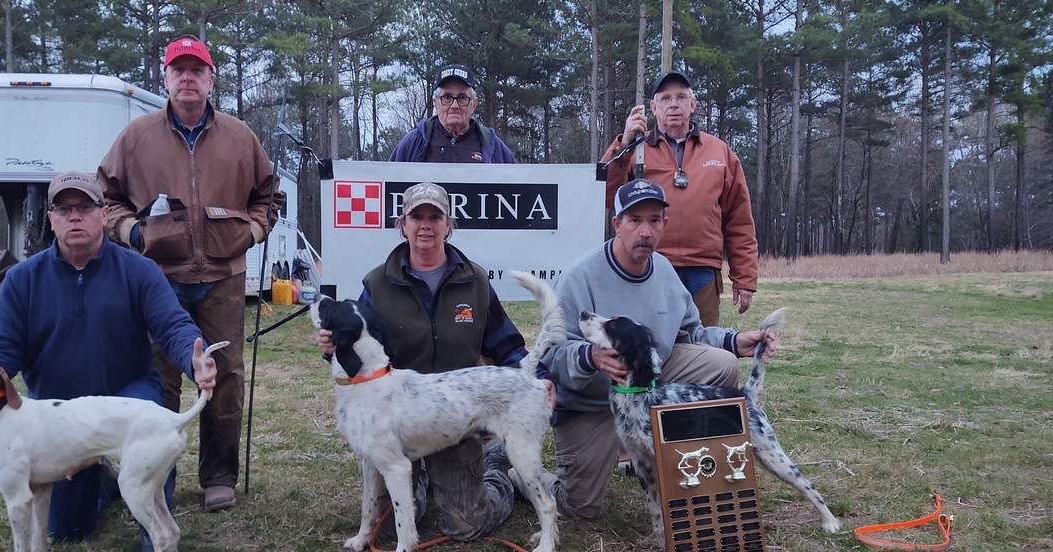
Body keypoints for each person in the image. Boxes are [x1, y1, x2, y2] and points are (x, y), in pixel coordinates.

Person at [0, 171, 217, 549]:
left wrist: (197, 359)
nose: (75, 216)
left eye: (85, 207)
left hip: (127, 393)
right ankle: (103, 482)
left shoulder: (139, 270)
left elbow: (173, 325)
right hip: (57, 412)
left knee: (150, 420)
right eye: (64, 208)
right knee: (68, 528)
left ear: (103, 215)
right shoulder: (21, 280)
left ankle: (151, 532)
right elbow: (1, 350)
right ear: (51, 218)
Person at [98, 35, 282, 512]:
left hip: (223, 277)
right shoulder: (136, 137)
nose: (186, 77)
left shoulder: (241, 137)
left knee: (224, 378)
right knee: (159, 380)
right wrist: (133, 233)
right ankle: (157, 478)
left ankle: (218, 477)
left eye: (195, 69)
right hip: (158, 279)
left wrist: (255, 231)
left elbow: (268, 194)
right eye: (177, 69)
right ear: (164, 77)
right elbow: (105, 198)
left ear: (210, 78)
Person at [316, 182, 553, 541]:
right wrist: (330, 345)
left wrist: (539, 381)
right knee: (385, 527)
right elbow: (357, 345)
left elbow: (505, 342)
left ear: (448, 225)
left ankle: (498, 471)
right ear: (403, 225)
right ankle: (421, 479)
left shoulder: (474, 280)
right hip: (395, 414)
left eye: (434, 216)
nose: (425, 225)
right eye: (417, 217)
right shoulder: (377, 283)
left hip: (456, 418)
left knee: (465, 525)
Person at [533, 178, 776, 520]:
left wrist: (734, 341)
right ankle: (526, 478)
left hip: (645, 392)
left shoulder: (663, 271)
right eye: (634, 220)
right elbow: (550, 356)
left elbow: (690, 333)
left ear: (665, 224)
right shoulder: (579, 277)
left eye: (654, 220)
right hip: (589, 403)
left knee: (721, 365)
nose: (645, 231)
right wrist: (590, 357)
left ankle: (684, 460)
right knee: (581, 508)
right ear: (617, 224)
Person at [600, 71, 758, 326]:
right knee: (648, 347)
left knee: (703, 349)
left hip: (702, 271)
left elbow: (738, 221)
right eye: (665, 99)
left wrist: (745, 278)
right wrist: (624, 143)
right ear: (653, 107)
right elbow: (606, 196)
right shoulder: (635, 150)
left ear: (692, 104)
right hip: (647, 264)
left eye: (681, 97)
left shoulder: (720, 152)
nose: (673, 104)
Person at [390, 64, 516, 163]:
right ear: (435, 102)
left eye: (462, 98)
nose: (454, 106)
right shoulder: (414, 143)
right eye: (447, 98)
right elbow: (388, 189)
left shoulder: (493, 147)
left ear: (474, 104)